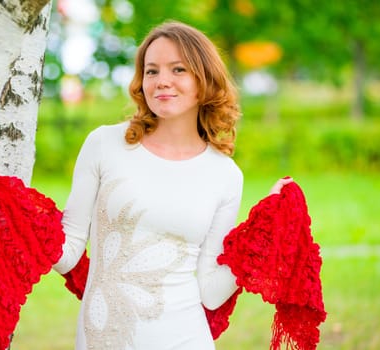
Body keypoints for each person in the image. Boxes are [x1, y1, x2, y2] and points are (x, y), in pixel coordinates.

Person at [46, 21, 292, 350]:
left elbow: (212, 291)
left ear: (203, 80)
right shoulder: (104, 144)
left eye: (178, 69)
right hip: (102, 338)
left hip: (185, 338)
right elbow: (68, 252)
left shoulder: (225, 174)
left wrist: (265, 228)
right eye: (151, 71)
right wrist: (7, 201)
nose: (162, 82)